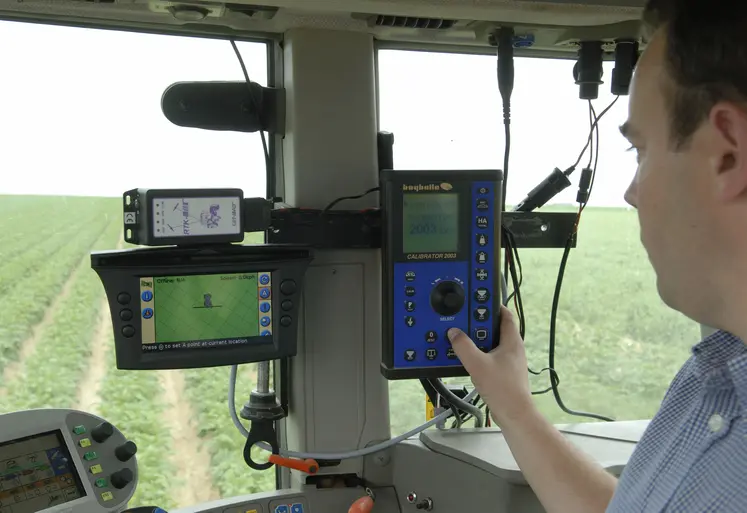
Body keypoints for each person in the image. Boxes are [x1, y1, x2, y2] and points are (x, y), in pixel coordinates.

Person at [448, 1, 747, 511]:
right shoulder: (714, 373)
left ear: (729, 153)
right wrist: (514, 407)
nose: (632, 193)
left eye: (641, 151)